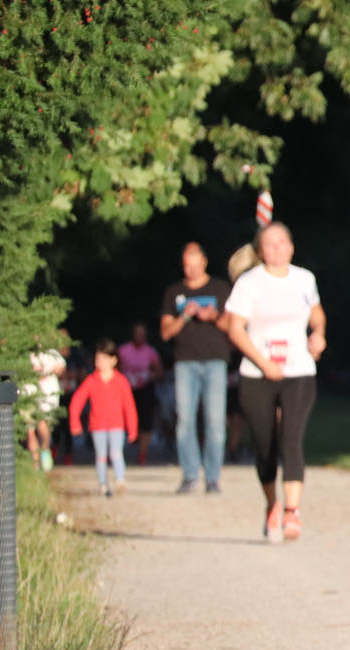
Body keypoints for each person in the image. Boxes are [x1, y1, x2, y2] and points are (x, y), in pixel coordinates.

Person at [224, 221, 326, 543]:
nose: (277, 249)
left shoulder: (304, 279)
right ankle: (272, 504)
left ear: (291, 247)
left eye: (282, 242)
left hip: (299, 370)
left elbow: (317, 314)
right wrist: (262, 362)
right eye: (269, 244)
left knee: (291, 439)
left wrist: (318, 335)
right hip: (258, 374)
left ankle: (292, 511)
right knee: (265, 445)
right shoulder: (249, 283)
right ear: (260, 251)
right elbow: (235, 329)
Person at [160, 242, 234, 493]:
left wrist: (213, 316)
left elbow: (233, 326)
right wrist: (184, 316)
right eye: (186, 265)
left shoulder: (219, 289)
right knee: (185, 420)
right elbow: (165, 332)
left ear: (204, 262)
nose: (190, 270)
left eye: (195, 264)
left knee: (215, 421)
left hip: (215, 361)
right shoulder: (174, 292)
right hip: (185, 362)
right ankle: (190, 475)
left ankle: (212, 477)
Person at [68, 339, 139, 496]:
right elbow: (77, 401)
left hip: (117, 425)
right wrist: (74, 422)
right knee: (101, 455)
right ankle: (103, 483)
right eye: (98, 358)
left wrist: (132, 428)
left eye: (104, 359)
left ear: (113, 360)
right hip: (97, 425)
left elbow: (129, 406)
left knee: (116, 452)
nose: (100, 362)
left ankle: (120, 479)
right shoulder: (91, 381)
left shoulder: (121, 381)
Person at [116, 322, 164, 464]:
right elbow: (115, 369)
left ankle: (142, 453)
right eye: (137, 333)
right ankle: (119, 450)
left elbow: (159, 372)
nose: (139, 336)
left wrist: (148, 376)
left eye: (142, 334)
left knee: (146, 421)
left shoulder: (150, 352)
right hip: (127, 389)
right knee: (125, 418)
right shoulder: (123, 350)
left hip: (145, 390)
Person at [21, 331, 68, 472]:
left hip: (47, 396)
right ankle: (35, 465)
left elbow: (61, 367)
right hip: (29, 395)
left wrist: (49, 372)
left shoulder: (51, 353)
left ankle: (45, 449)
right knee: (30, 430)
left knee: (43, 426)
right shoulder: (25, 355)